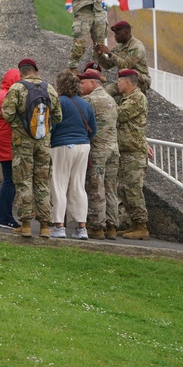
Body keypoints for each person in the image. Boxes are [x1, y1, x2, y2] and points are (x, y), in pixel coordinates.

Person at [1, 58, 62, 238]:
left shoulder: (17, 88)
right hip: (44, 143)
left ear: (21, 72)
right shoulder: (49, 88)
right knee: (42, 183)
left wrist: (20, 127)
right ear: (36, 70)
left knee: (23, 181)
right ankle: (44, 226)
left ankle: (26, 224)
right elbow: (58, 116)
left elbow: (7, 114)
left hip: (22, 143)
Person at [48, 71, 97, 239]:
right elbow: (93, 129)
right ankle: (81, 228)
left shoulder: (59, 102)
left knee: (58, 185)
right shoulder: (85, 104)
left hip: (62, 145)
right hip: (83, 146)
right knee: (78, 186)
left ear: (60, 85)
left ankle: (58, 226)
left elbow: (51, 126)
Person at [78, 69, 119, 240]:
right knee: (111, 188)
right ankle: (112, 226)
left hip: (98, 150)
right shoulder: (111, 99)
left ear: (93, 84)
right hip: (113, 150)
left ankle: (96, 226)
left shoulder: (89, 100)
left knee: (96, 188)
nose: (80, 86)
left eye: (83, 83)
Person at [115, 69, 150, 240]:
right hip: (126, 151)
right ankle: (133, 224)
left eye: (119, 81)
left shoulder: (137, 98)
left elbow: (119, 115)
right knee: (124, 189)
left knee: (134, 190)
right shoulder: (126, 98)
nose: (117, 85)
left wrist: (107, 99)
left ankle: (141, 226)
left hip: (134, 153)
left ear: (127, 82)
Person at [0, 68, 22, 229]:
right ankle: (5, 216)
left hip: (2, 140)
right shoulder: (8, 96)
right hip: (7, 141)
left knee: (8, 179)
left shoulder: (1, 94)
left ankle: (1, 214)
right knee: (10, 181)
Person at [96, 20, 151, 93]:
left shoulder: (136, 46)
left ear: (126, 33)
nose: (115, 36)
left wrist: (109, 53)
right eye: (115, 34)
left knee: (127, 75)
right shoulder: (118, 46)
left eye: (118, 34)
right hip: (125, 79)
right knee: (108, 93)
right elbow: (108, 65)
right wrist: (100, 55)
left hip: (140, 79)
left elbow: (125, 65)